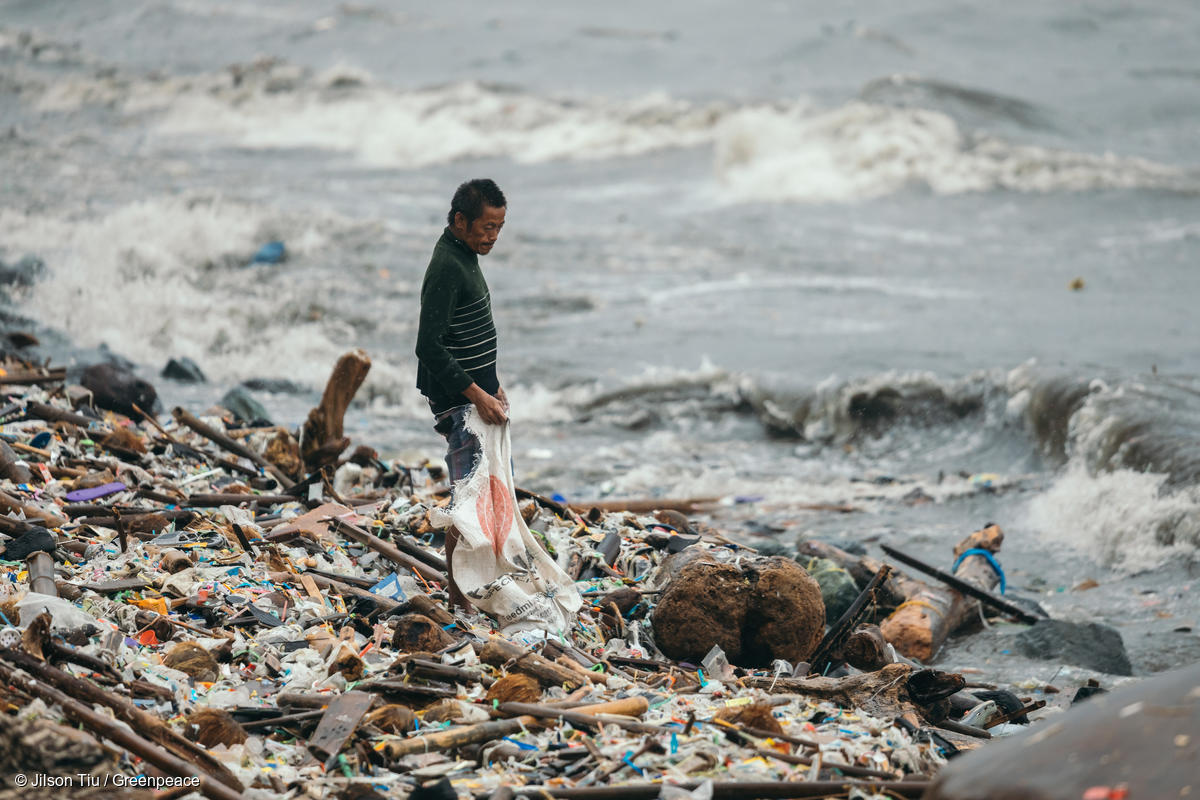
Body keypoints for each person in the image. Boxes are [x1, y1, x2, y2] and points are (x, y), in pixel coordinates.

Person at [415, 178, 510, 610]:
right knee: (467, 499)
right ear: (460, 220)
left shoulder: (465, 254)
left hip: (474, 395)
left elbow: (466, 332)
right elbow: (429, 346)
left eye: (499, 227)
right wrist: (477, 395)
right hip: (458, 403)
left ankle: (475, 586)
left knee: (482, 494)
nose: (493, 236)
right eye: (486, 227)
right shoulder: (447, 266)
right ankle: (458, 600)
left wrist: (493, 383)